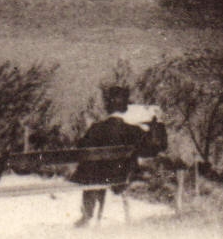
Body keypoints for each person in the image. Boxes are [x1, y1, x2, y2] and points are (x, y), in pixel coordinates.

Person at [69, 85, 166, 226]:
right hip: (120, 177)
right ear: (125, 109)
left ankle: (87, 215)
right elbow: (151, 150)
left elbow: (81, 148)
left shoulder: (96, 128)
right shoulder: (134, 131)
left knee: (91, 171)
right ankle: (96, 216)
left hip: (95, 177)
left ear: (108, 107)